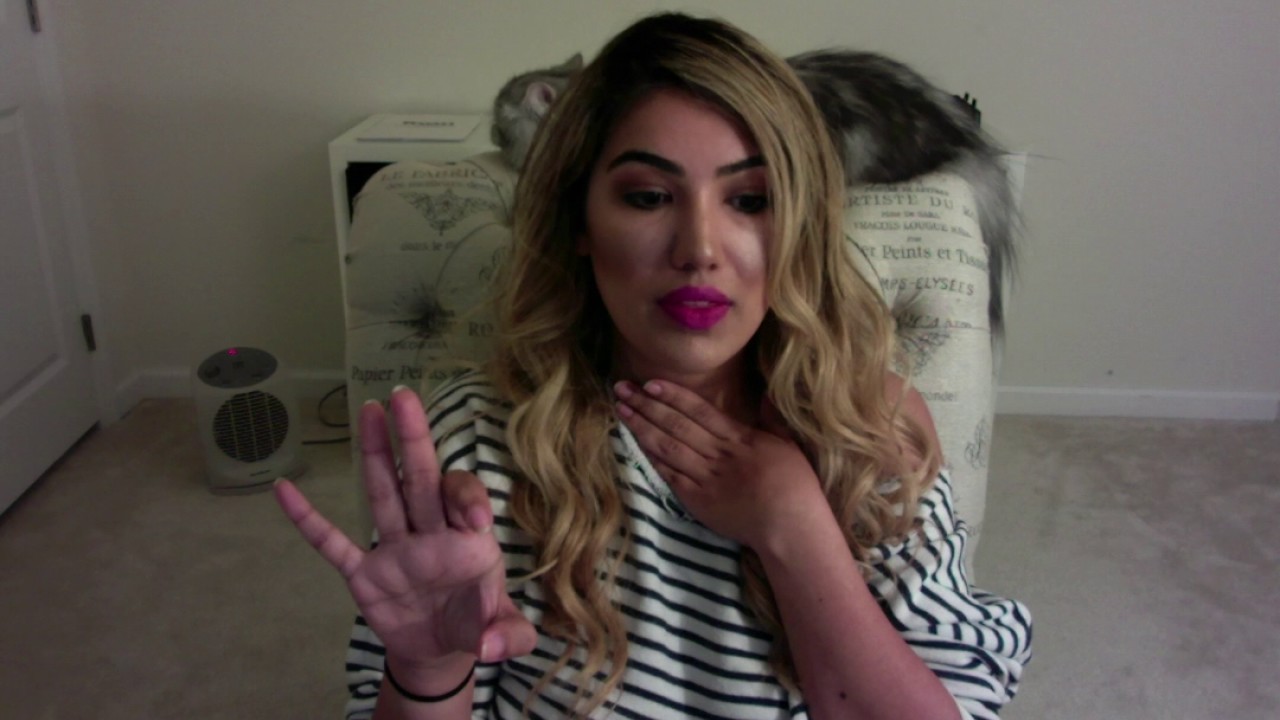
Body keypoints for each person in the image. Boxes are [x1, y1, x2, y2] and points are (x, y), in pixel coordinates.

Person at [276, 12, 1031, 720]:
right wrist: (429, 669)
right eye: (647, 196)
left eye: (751, 200)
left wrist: (795, 526)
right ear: (579, 220)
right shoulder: (477, 446)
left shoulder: (869, 427)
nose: (699, 248)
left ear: (800, 221)